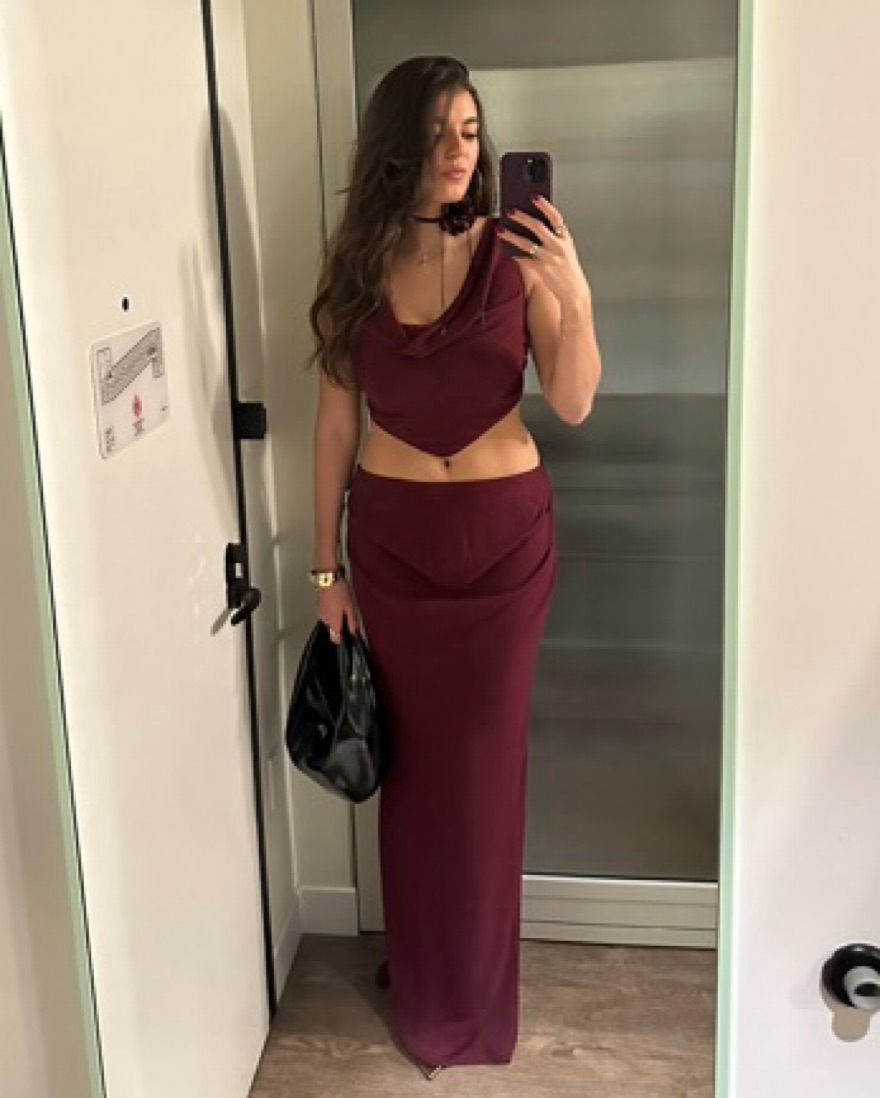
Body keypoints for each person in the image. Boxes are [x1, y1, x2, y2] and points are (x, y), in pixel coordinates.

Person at [307, 55, 601, 1079]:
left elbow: (573, 402)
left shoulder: (518, 252)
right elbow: (334, 425)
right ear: (397, 143)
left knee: (482, 777)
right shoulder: (355, 265)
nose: (457, 152)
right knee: (418, 777)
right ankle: (429, 980)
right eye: (436, 133)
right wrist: (324, 574)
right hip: (393, 554)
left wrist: (574, 294)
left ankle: (473, 1004)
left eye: (470, 132)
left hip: (502, 553)